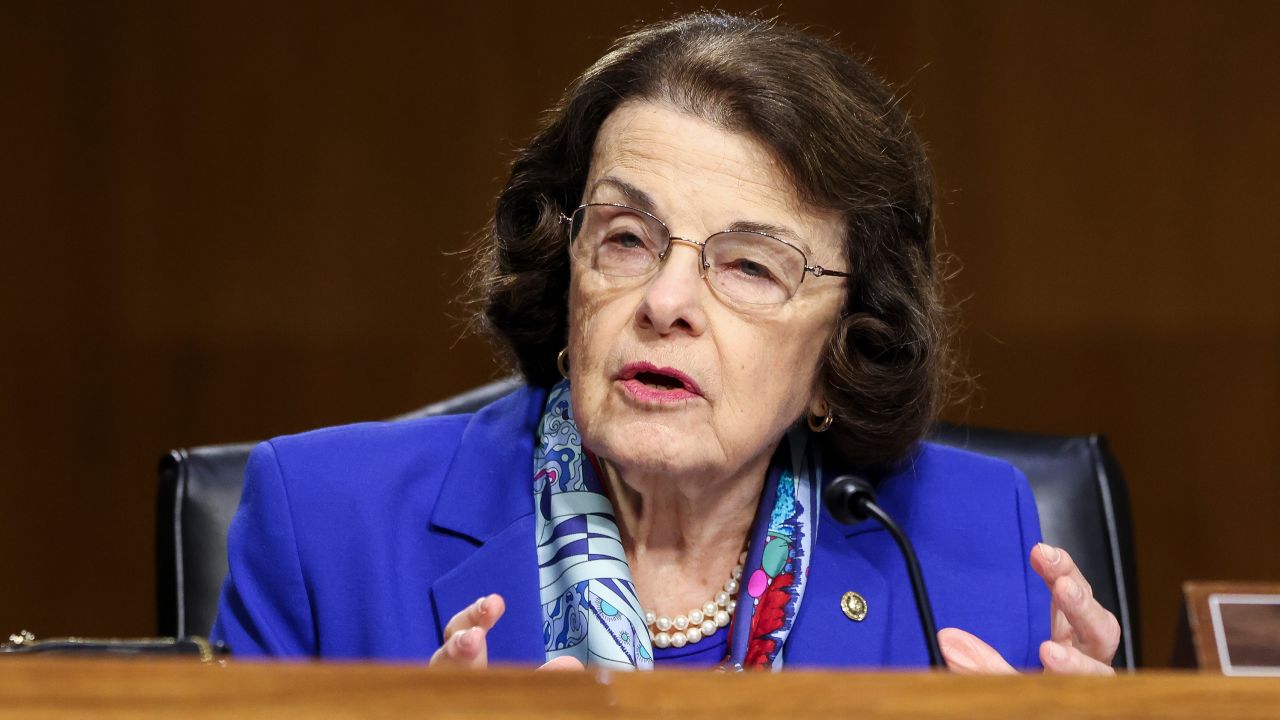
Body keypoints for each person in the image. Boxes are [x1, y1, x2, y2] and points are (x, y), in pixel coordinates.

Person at [211, 12, 1120, 673]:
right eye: (627, 239)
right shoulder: (326, 526)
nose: (667, 300)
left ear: (843, 348)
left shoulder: (966, 539)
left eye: (751, 267)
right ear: (564, 268)